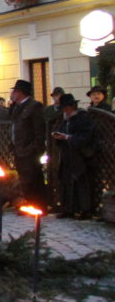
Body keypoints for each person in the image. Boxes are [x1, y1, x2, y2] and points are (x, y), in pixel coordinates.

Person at [53, 93, 97, 218]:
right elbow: (63, 132)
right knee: (66, 182)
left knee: (81, 183)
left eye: (66, 108)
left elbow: (85, 137)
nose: (65, 111)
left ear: (72, 107)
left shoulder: (83, 118)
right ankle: (68, 208)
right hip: (67, 155)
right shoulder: (66, 120)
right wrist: (59, 137)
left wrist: (67, 137)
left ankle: (85, 210)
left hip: (80, 156)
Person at [9, 79, 47, 207]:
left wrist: (34, 149)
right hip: (19, 150)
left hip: (29, 151)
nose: (12, 94)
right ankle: (28, 204)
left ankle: (38, 206)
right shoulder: (17, 107)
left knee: (34, 179)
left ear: (20, 92)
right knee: (24, 180)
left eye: (14, 91)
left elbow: (40, 132)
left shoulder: (34, 106)